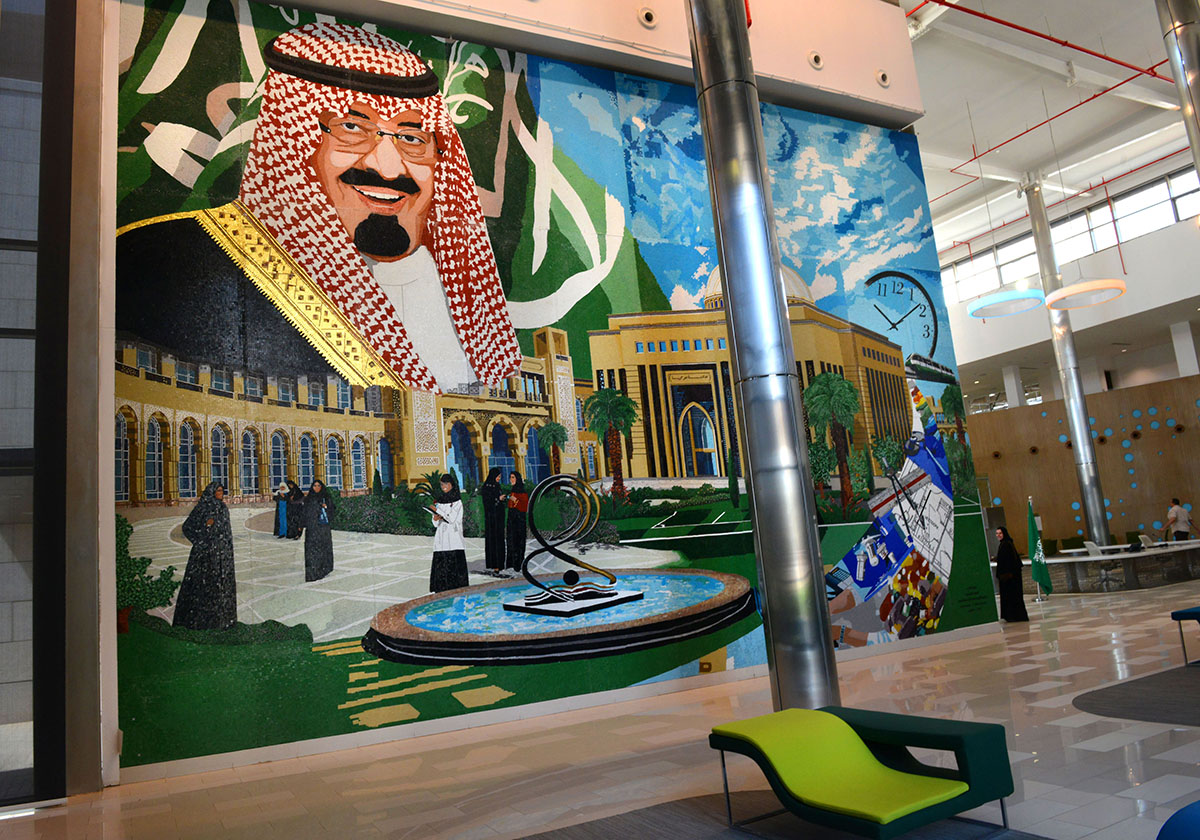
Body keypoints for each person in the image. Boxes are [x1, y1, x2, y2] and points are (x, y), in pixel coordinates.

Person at [115, 22, 521, 396]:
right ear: (296, 145)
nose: (388, 166)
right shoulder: (160, 262)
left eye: (412, 138)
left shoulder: (466, 302)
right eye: (351, 128)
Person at [173, 482, 237, 630]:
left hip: (222, 556)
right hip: (205, 555)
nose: (221, 493)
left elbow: (226, 532)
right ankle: (200, 624)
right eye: (218, 491)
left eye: (222, 490)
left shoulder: (222, 508)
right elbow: (187, 527)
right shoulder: (202, 508)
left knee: (221, 588)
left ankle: (222, 623)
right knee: (203, 588)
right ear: (212, 492)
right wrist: (203, 534)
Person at [429, 473, 468, 592]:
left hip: (453, 539)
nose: (444, 486)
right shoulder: (440, 501)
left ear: (452, 484)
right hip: (441, 539)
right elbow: (435, 523)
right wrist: (435, 518)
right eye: (442, 484)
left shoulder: (457, 502)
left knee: (454, 568)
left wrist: (439, 512)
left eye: (446, 484)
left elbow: (452, 519)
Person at [994, 527, 1029, 623]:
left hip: (1009, 577)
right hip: (1010, 576)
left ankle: (1013, 616)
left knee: (1011, 596)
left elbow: (1008, 561)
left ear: (1004, 533)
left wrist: (1005, 574)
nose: (998, 535)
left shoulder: (1006, 544)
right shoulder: (1005, 543)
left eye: (1000, 533)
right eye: (997, 533)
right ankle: (1014, 616)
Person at [303, 479, 335, 581]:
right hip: (312, 528)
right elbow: (304, 512)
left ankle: (324, 569)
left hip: (323, 528)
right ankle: (313, 573)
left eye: (318, 486)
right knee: (312, 550)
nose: (316, 488)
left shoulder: (326, 497)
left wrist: (326, 507)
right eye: (314, 486)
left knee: (323, 548)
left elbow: (333, 510)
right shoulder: (308, 498)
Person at [480, 468, 506, 575]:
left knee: (499, 540)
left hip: (498, 518)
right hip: (491, 519)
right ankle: (495, 565)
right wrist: (498, 499)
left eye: (500, 476)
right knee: (493, 541)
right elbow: (487, 502)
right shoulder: (487, 487)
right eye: (498, 476)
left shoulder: (497, 486)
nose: (499, 478)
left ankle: (499, 564)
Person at [504, 470, 529, 574]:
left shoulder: (522, 491)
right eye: (510, 477)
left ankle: (518, 564)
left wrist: (515, 500)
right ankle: (511, 564)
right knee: (510, 541)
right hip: (511, 518)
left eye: (513, 477)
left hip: (519, 519)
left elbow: (524, 505)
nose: (511, 479)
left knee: (518, 541)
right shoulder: (513, 490)